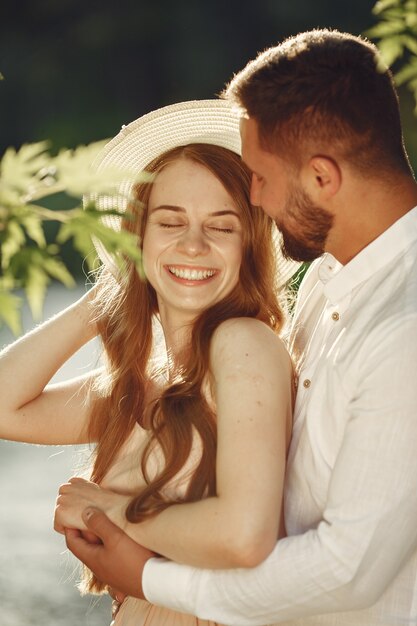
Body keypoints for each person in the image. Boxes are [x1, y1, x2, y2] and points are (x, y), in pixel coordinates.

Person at [62, 28, 417, 625]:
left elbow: (347, 571)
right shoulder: (329, 278)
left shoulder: (404, 326)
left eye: (258, 175)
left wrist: (149, 573)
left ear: (323, 178)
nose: (253, 196)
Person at [0, 100, 299, 625]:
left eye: (221, 227)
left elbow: (244, 536)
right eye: (170, 221)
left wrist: (108, 512)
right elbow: (6, 406)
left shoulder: (243, 344)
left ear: (249, 244)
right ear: (138, 237)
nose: (193, 244)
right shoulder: (153, 382)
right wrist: (120, 283)